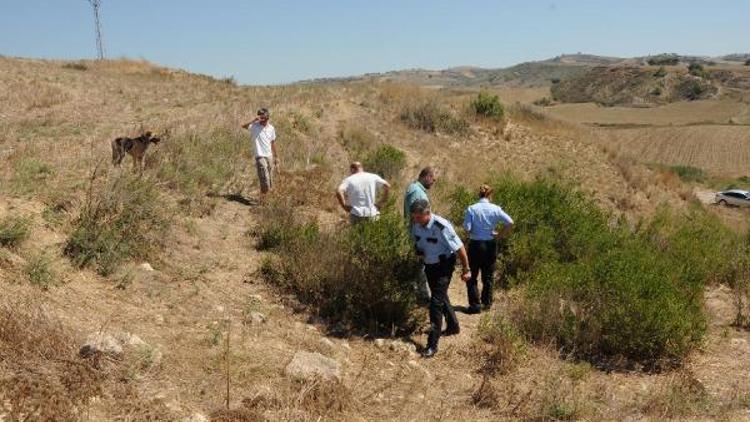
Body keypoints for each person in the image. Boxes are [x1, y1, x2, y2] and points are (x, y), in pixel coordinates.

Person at [410, 199, 471, 358]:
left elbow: (460, 248)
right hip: (429, 265)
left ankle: (432, 345)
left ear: (427, 213)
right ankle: (453, 326)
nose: (415, 220)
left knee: (435, 304)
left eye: (418, 217)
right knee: (440, 297)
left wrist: (466, 269)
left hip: (444, 265)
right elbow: (418, 242)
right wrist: (418, 251)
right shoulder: (416, 224)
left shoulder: (441, 226)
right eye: (414, 217)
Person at [462, 184, 514, 314]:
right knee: (488, 275)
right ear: (490, 195)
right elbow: (510, 222)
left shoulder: (471, 209)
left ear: (479, 195)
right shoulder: (495, 209)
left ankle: (474, 305)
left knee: (472, 276)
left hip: (475, 244)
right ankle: (487, 302)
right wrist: (499, 234)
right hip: (490, 244)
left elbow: (467, 228)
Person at [404, 167, 438, 302]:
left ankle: (417, 293)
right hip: (418, 234)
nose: (432, 183)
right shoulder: (417, 192)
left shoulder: (413, 188)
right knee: (421, 265)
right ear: (427, 176)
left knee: (418, 264)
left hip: (415, 233)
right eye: (433, 180)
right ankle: (422, 296)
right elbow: (417, 216)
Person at [241, 108, 278, 198]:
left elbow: (272, 142)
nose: (262, 119)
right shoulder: (254, 126)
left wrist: (276, 157)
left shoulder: (271, 128)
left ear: (267, 117)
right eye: (260, 117)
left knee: (270, 178)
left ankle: (265, 197)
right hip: (260, 155)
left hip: (269, 155)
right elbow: (243, 126)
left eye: (263, 117)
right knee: (264, 177)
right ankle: (266, 198)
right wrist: (253, 120)